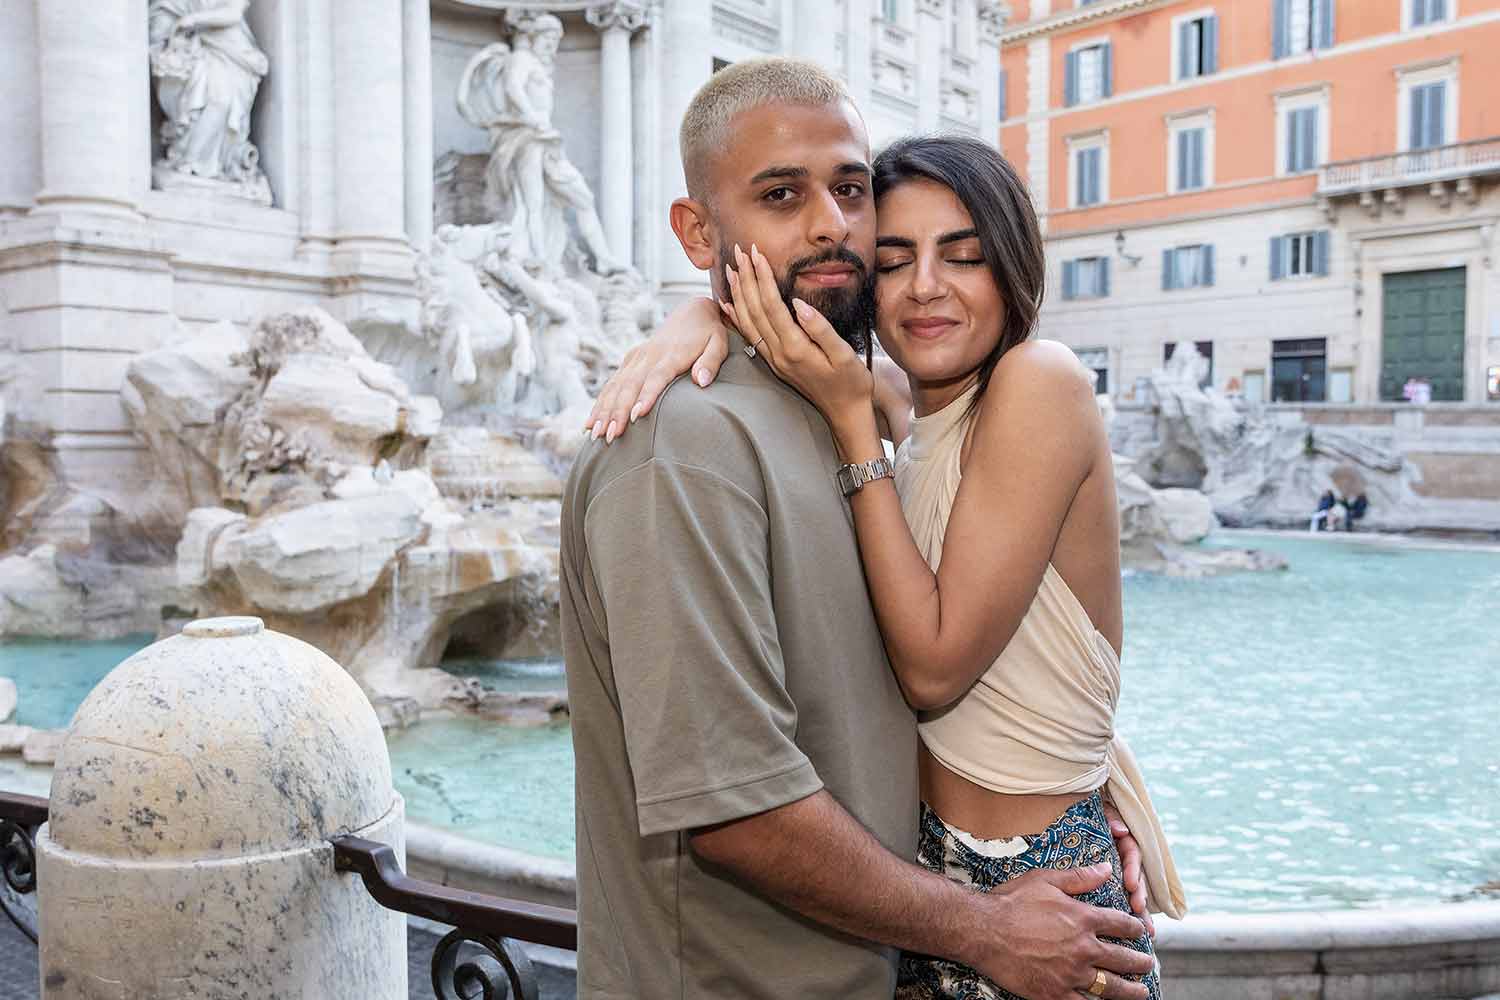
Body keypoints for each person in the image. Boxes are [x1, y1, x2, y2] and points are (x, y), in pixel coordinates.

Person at [562, 59, 1159, 1000]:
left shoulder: (863, 412)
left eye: (848, 191)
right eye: (780, 194)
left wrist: (1075, 794)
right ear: (698, 231)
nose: (831, 224)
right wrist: (983, 920)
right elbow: (736, 809)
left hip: (969, 916)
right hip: (822, 959)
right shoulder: (690, 446)